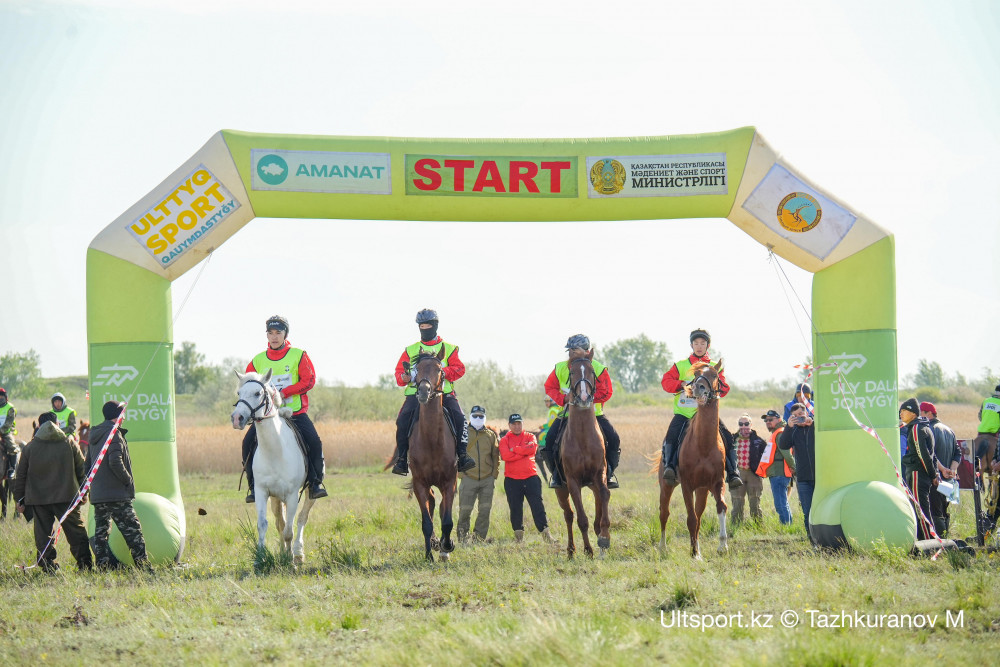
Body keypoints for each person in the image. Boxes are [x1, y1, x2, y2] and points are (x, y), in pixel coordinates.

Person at [242, 315, 328, 501]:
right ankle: (253, 488)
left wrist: (285, 392)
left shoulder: (298, 355)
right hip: (266, 417)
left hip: (295, 413)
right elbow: (247, 386)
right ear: (267, 335)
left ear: (285, 334)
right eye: (270, 333)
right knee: (247, 443)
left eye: (278, 333)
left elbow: (309, 380)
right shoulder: (257, 361)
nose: (274, 337)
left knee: (314, 441)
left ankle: (315, 483)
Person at [391, 309, 476, 476]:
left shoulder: (449, 348)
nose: (424, 328)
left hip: (443, 394)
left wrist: (441, 373)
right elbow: (399, 374)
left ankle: (463, 456)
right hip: (416, 396)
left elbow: (459, 369)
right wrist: (405, 377)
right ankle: (401, 459)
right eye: (421, 326)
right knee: (401, 421)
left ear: (435, 326)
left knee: (461, 420)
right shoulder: (410, 350)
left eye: (428, 325)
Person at [660, 329, 743, 489]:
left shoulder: (714, 367)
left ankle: (733, 473)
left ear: (707, 346)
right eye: (696, 343)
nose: (699, 346)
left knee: (727, 437)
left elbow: (724, 389)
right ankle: (669, 467)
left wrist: (717, 384)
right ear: (691, 345)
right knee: (672, 434)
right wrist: (680, 383)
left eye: (702, 343)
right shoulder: (681, 365)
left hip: (707, 416)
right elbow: (666, 382)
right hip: (684, 413)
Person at [13, 411, 93, 572]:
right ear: (58, 424)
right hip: (67, 498)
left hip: (39, 499)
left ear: (40, 425)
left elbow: (20, 475)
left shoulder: (30, 447)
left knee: (43, 535)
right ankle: (85, 565)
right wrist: (84, 494)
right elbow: (81, 470)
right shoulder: (69, 443)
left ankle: (48, 566)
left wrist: (19, 499)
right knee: (76, 532)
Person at [540, 334, 621, 489]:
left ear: (586, 351)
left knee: (614, 439)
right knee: (549, 441)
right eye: (569, 350)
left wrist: (588, 398)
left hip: (594, 416)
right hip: (567, 415)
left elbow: (607, 392)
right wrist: (563, 398)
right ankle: (557, 475)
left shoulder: (598, 368)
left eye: (574, 350)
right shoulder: (560, 368)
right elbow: (549, 387)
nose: (571, 353)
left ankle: (608, 474)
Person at [87, 401, 152, 571]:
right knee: (133, 532)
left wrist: (91, 488)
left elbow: (87, 466)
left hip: (99, 495)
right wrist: (127, 480)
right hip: (116, 494)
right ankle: (144, 568)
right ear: (118, 415)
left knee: (101, 535)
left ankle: (102, 568)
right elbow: (115, 461)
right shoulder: (113, 434)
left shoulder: (94, 435)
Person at [499, 414, 553, 543]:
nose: (517, 426)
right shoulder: (504, 440)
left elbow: (532, 449)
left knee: (538, 507)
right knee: (515, 508)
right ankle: (519, 538)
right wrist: (523, 453)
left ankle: (547, 536)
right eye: (514, 424)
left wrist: (515, 449)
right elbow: (506, 456)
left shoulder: (530, 436)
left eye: (519, 423)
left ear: (522, 424)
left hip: (531, 478)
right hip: (512, 480)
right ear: (509, 425)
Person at [457, 405, 500, 543]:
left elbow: (495, 456)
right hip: (469, 477)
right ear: (470, 417)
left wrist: (494, 474)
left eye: (481, 416)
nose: (478, 418)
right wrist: (460, 472)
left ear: (485, 418)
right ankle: (463, 538)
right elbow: (456, 453)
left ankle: (478, 539)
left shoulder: (490, 435)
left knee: (485, 511)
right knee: (465, 511)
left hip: (487, 479)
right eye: (475, 416)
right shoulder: (463, 433)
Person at [899, 397, 937, 541]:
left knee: (920, 511)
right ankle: (924, 542)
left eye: (903, 411)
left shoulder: (916, 429)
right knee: (920, 510)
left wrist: (933, 475)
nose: (900, 414)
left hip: (917, 474)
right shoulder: (922, 426)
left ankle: (928, 544)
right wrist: (934, 474)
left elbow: (924, 455)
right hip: (921, 475)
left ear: (913, 413)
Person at [920, 401, 959, 538]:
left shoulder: (928, 429)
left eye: (921, 412)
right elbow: (957, 453)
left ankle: (941, 542)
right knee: (944, 509)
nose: (919, 416)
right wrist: (952, 470)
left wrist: (942, 469)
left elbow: (930, 454)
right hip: (949, 479)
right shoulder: (949, 430)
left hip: (935, 477)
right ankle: (946, 538)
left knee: (935, 511)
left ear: (928, 413)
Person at [779, 403, 817, 542]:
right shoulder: (793, 431)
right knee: (807, 512)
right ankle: (812, 540)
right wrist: (788, 428)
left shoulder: (815, 427)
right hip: (802, 479)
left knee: (820, 510)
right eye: (795, 416)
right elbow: (783, 445)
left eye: (801, 415)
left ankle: (823, 538)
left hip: (820, 477)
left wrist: (812, 423)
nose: (799, 419)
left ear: (806, 413)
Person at [755, 409, 793, 525]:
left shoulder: (780, 433)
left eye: (770, 420)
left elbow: (786, 453)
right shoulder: (778, 432)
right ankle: (788, 526)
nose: (768, 422)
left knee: (780, 504)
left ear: (779, 419)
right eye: (766, 420)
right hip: (777, 473)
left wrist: (794, 468)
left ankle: (786, 526)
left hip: (779, 474)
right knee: (783, 502)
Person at [730, 413, 766, 524]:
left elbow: (767, 457)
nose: (744, 426)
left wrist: (762, 471)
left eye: (746, 423)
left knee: (754, 502)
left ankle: (758, 526)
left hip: (753, 475)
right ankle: (736, 526)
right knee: (737, 503)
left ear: (751, 424)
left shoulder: (759, 441)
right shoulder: (732, 440)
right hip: (737, 474)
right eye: (741, 424)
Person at [974, 384, 1000, 475]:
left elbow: (980, 416)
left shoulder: (986, 401)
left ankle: (975, 465)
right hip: (995, 433)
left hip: (981, 432)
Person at [0, 387, 19, 478]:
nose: (0, 398)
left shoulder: (10, 408)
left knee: (12, 446)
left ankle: (12, 468)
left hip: (6, 432)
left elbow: (8, 423)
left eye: (1, 396)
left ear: (5, 397)